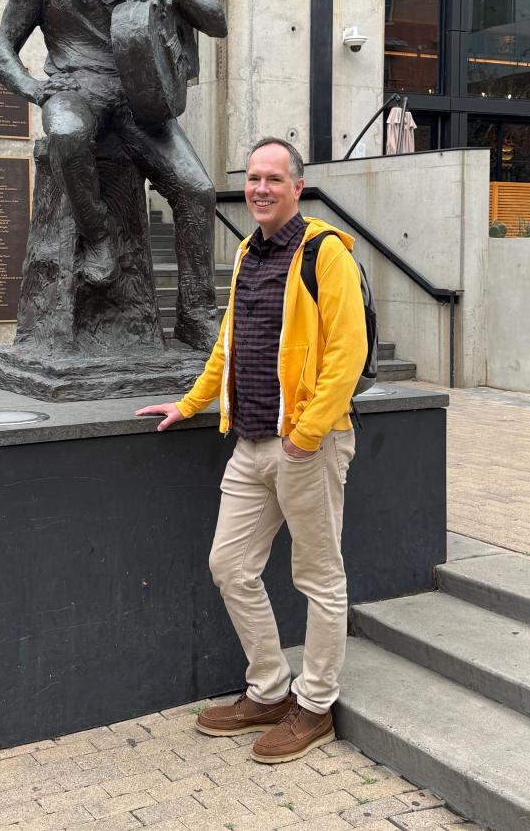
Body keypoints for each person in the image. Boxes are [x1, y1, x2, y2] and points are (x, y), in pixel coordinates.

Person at [136, 137, 367, 764]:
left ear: (297, 187)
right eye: (254, 178)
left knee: (318, 578)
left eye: (274, 178)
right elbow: (228, 345)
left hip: (306, 447)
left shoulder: (325, 256)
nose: (261, 188)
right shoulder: (245, 253)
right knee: (230, 566)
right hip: (250, 443)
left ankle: (314, 705)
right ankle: (268, 689)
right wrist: (189, 403)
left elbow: (349, 355)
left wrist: (307, 433)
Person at [0, 0, 227, 350]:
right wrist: (35, 88)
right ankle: (98, 238)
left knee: (197, 191)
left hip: (141, 95)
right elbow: (1, 51)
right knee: (68, 133)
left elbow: (216, 19)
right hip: (77, 83)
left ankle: (196, 315)